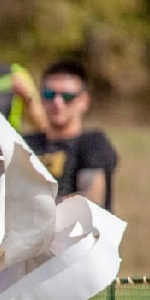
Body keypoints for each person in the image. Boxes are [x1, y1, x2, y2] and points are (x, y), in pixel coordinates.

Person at [23, 59, 119, 209]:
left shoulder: (93, 143)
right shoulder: (25, 144)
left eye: (67, 96)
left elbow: (90, 203)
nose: (57, 102)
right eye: (49, 94)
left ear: (84, 101)